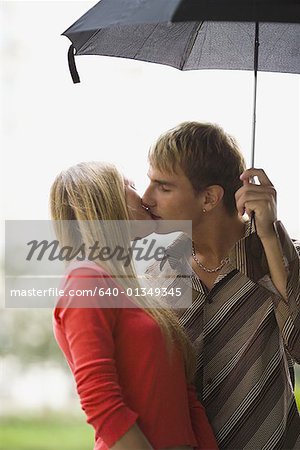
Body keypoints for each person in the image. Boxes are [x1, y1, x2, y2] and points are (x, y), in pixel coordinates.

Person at [142, 122, 300, 449]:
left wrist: (269, 238)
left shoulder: (282, 257)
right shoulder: (159, 271)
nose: (147, 198)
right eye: (149, 182)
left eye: (163, 187)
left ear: (210, 198)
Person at [50, 161, 218, 450]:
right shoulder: (85, 280)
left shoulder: (138, 295)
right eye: (130, 186)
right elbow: (100, 401)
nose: (144, 197)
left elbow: (185, 397)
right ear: (103, 203)